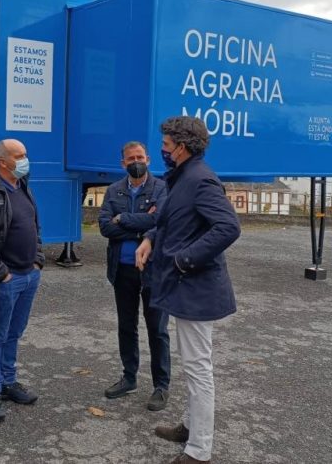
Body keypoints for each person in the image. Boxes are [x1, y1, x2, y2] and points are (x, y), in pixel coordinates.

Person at [135, 117, 241, 464]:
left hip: (195, 288)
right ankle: (189, 426)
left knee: (198, 368)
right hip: (183, 286)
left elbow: (228, 227)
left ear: (181, 148)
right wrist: (150, 239)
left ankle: (199, 449)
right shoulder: (181, 177)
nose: (161, 150)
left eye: (165, 145)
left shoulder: (200, 180)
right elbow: (168, 220)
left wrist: (184, 259)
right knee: (192, 363)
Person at [0, 139, 45, 422]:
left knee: (14, 333)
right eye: (20, 155)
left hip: (29, 275)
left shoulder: (23, 186)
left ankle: (7, 381)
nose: (26, 159)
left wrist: (38, 260)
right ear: (3, 161)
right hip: (5, 279)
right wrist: (0, 273)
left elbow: (34, 226)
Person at [98, 141, 171, 411]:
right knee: (126, 327)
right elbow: (105, 227)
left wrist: (123, 219)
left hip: (153, 272)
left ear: (149, 160)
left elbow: (161, 223)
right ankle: (129, 378)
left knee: (158, 330)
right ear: (123, 163)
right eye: (131, 158)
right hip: (123, 270)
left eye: (140, 157)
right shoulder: (114, 190)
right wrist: (140, 224)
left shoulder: (162, 188)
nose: (136, 161)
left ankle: (160, 386)